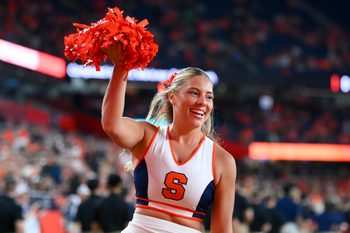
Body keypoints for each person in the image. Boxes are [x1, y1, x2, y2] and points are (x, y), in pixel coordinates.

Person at [101, 44, 237, 233]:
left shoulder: (222, 160)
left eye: (209, 97)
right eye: (194, 93)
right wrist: (121, 68)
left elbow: (222, 229)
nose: (202, 102)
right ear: (172, 96)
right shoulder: (147, 135)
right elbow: (111, 125)